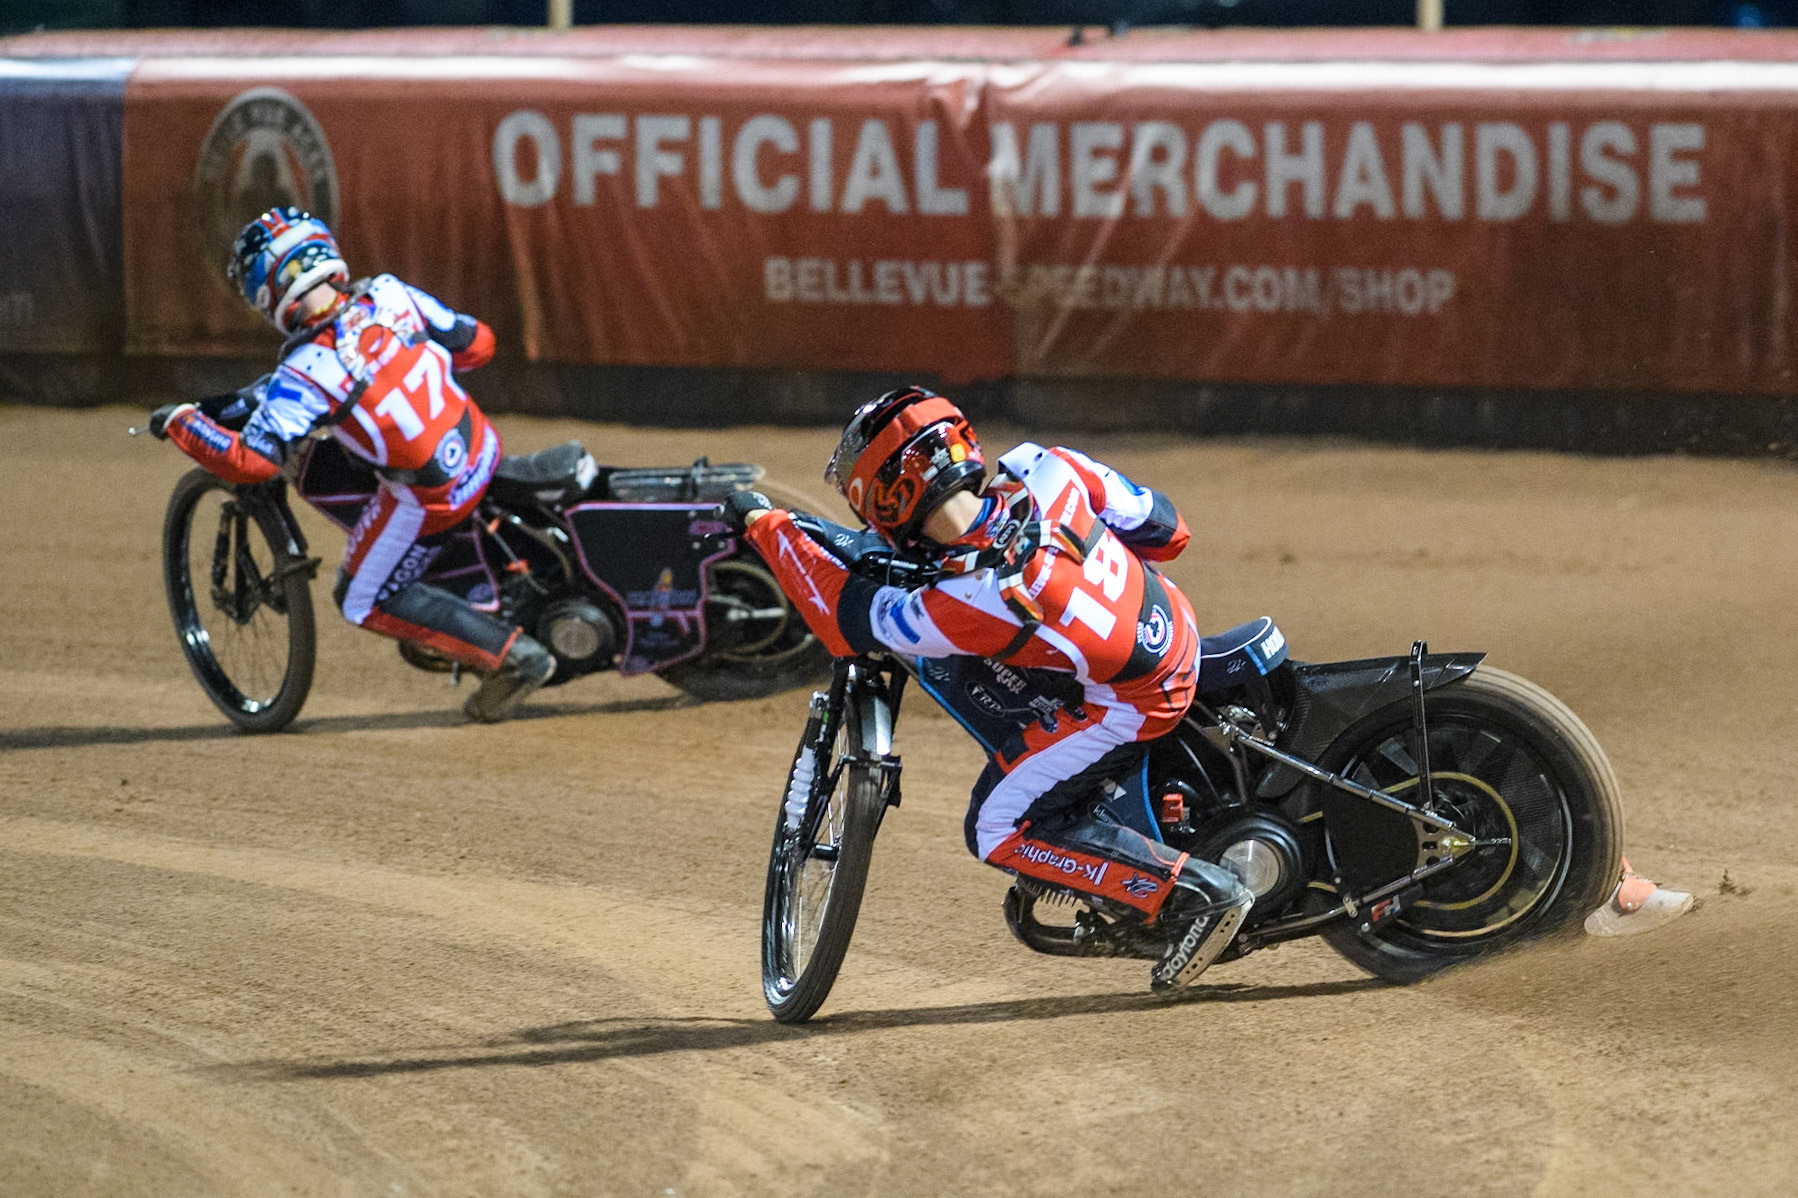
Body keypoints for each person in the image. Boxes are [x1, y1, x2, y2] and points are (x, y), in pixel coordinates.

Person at [721, 386, 1254, 990]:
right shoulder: (1048, 468)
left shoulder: (980, 600)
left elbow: (847, 617)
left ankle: (1194, 892)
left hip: (1139, 700)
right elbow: (1168, 531)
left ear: (890, 495)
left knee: (997, 826)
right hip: (1175, 623)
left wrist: (763, 523)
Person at [148, 206, 554, 723]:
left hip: (432, 497)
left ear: (270, 292)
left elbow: (252, 462)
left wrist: (185, 423)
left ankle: (513, 658)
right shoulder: (390, 292)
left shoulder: (306, 370)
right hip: (482, 448)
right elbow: (479, 345)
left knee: (361, 598)